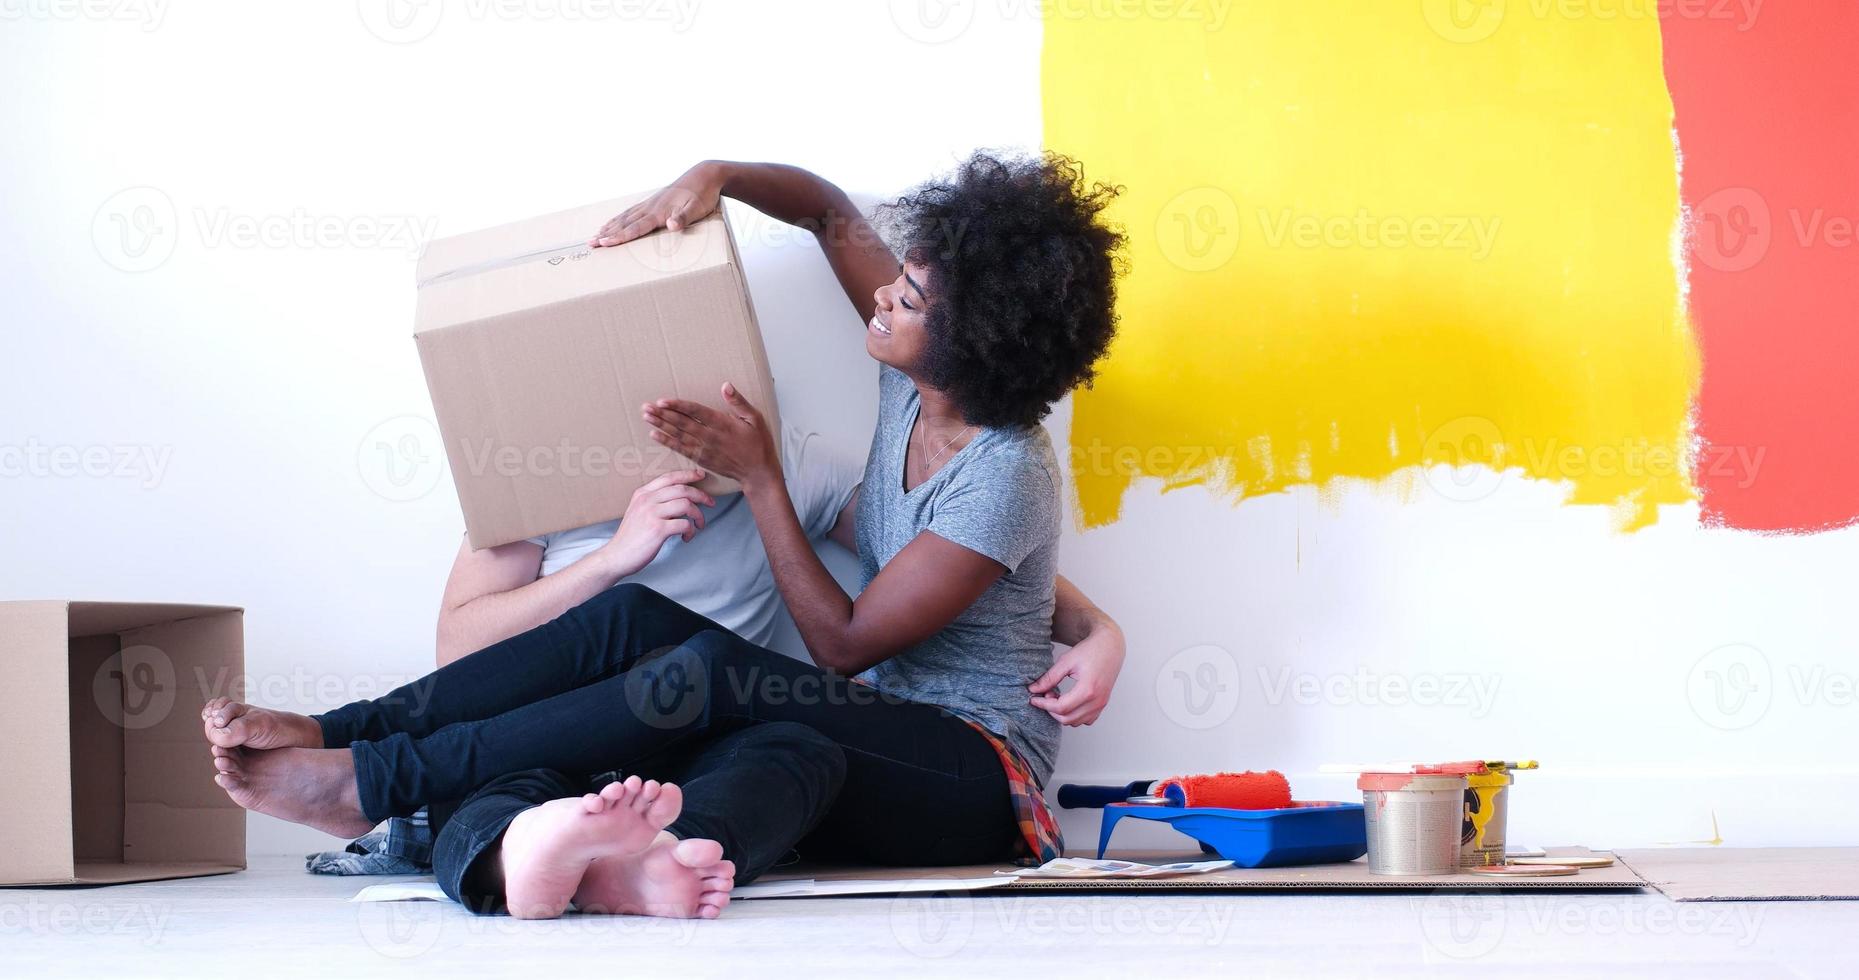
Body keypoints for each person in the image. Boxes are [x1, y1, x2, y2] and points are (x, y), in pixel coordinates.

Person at [202, 150, 1126, 920]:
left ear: (974, 345)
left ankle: (372, 781)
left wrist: (760, 476)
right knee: (655, 636)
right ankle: (367, 742)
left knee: (717, 678)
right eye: (898, 282)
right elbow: (824, 210)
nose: (883, 296)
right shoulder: (912, 379)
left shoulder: (1004, 473)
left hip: (973, 778)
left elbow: (840, 648)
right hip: (871, 742)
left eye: (910, 300)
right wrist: (714, 173)